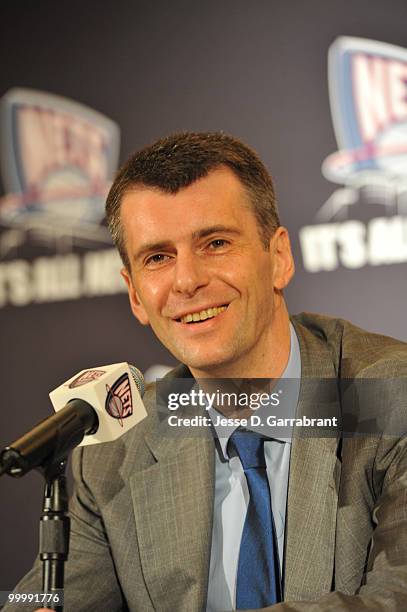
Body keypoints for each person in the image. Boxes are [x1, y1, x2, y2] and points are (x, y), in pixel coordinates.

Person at [5, 132, 407, 611]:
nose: (188, 279)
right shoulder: (115, 451)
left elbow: (394, 599)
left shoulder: (386, 397)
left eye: (215, 243)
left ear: (278, 258)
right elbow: (40, 599)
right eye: (158, 257)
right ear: (134, 294)